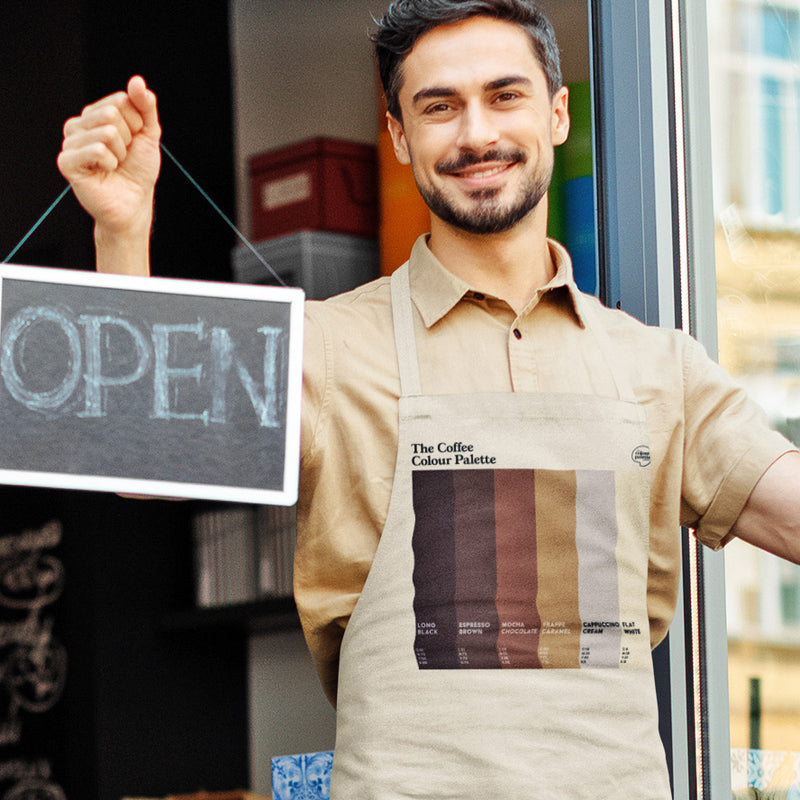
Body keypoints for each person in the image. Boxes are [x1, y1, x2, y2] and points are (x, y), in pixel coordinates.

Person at [57, 1, 800, 797]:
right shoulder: (328, 347)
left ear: (556, 114)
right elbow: (136, 448)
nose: (476, 133)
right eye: (438, 106)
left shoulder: (661, 369)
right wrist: (122, 229)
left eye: (505, 95)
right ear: (401, 136)